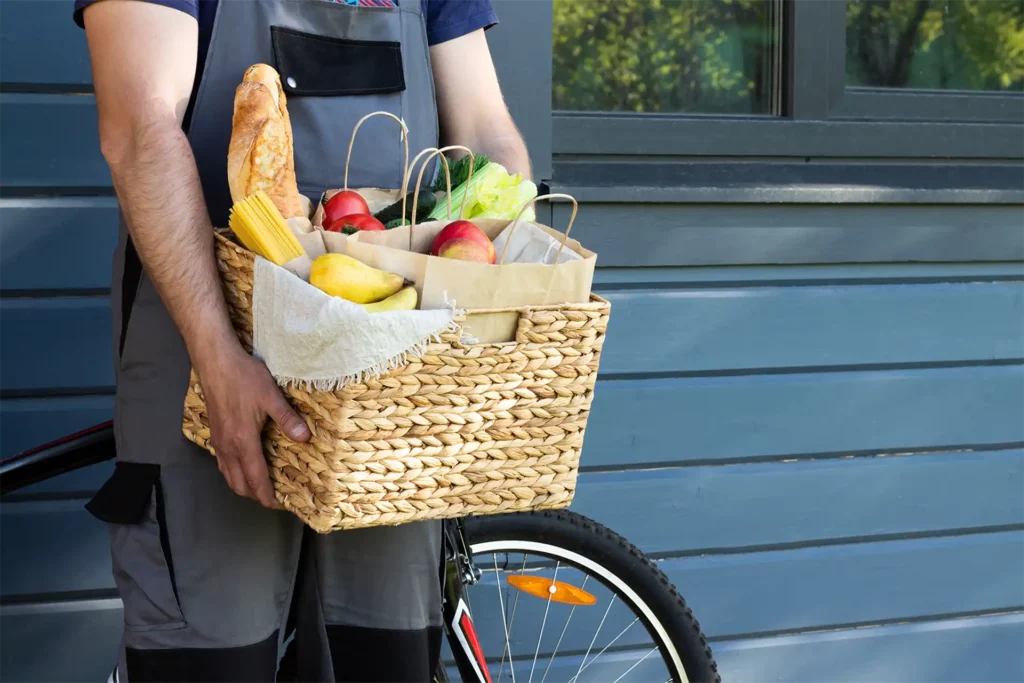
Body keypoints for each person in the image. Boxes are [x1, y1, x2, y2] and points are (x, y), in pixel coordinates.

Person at [74, 0, 531, 681]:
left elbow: (488, 135)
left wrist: (507, 298)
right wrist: (217, 354)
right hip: (207, 378)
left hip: (393, 398)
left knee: (384, 660)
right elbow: (139, 127)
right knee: (210, 660)